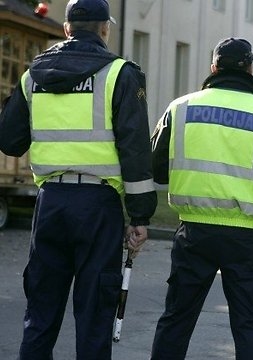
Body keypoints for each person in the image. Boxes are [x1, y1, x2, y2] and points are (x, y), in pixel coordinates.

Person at [0, 0, 157, 358]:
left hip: (50, 203)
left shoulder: (32, 77)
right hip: (98, 208)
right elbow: (135, 152)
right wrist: (140, 217)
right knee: (94, 315)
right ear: (105, 29)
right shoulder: (119, 74)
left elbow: (10, 141)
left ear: (66, 28)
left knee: (40, 312)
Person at [149, 37, 253, 360]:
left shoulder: (180, 109)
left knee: (176, 321)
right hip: (245, 239)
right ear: (250, 69)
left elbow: (158, 169)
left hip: (193, 233)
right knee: (248, 326)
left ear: (213, 67)